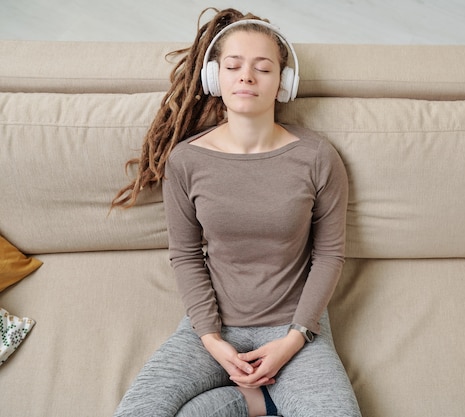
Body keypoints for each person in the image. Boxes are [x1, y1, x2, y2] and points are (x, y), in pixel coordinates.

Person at [111, 7, 362, 417]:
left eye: (263, 68)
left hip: (293, 328)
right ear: (215, 77)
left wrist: (295, 337)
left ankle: (256, 403)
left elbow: (330, 254)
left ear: (284, 83)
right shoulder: (185, 161)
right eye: (234, 65)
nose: (247, 76)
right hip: (211, 328)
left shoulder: (318, 157)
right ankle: (258, 403)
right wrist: (211, 338)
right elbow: (186, 255)